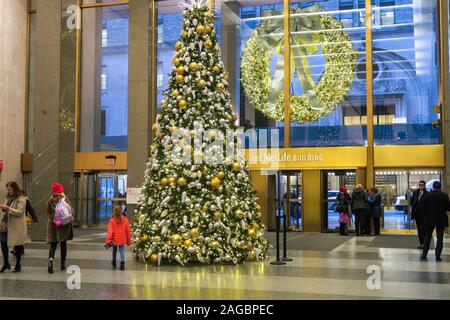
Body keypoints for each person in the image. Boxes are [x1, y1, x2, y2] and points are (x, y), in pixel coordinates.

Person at [0, 181, 28, 273]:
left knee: (18, 244)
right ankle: (6, 263)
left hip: (16, 225)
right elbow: (6, 209)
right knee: (3, 242)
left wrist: (7, 208)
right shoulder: (8, 197)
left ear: (14, 188)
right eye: (7, 189)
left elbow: (20, 212)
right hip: (5, 224)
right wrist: (3, 207)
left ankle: (18, 265)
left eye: (10, 189)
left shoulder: (22, 198)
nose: (8, 191)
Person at [47, 182, 74, 273]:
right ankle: (62, 264)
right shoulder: (64, 199)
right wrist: (62, 221)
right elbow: (71, 211)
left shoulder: (50, 200)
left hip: (53, 225)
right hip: (63, 226)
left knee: (53, 244)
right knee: (63, 244)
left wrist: (56, 222)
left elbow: (48, 212)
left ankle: (50, 262)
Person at [421, 181, 450, 262]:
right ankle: (437, 256)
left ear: (433, 187)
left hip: (430, 219)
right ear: (440, 187)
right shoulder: (445, 195)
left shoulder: (427, 195)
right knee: (440, 238)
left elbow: (423, 207)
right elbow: (448, 207)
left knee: (428, 236)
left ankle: (424, 254)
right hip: (441, 219)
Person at [106, 206, 131, 270]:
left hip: (114, 238)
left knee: (114, 250)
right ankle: (122, 265)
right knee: (122, 251)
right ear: (121, 211)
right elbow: (128, 231)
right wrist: (129, 241)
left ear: (114, 212)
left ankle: (114, 262)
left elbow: (110, 231)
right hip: (122, 238)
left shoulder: (112, 220)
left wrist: (108, 240)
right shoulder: (125, 219)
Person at [410, 181, 428, 249]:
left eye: (422, 185)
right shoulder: (415, 192)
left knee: (423, 229)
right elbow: (412, 201)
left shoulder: (427, 193)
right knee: (419, 229)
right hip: (417, 214)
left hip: (424, 214)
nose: (420, 186)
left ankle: (424, 243)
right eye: (419, 185)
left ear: (424, 186)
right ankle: (421, 243)